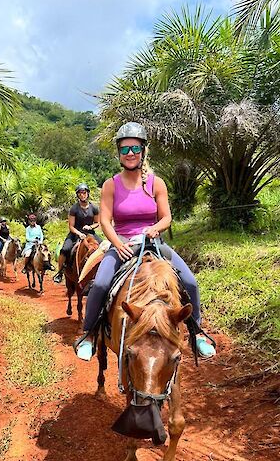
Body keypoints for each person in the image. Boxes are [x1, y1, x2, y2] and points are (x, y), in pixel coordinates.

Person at [74, 121, 216, 361]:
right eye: (125, 149)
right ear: (119, 153)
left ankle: (197, 333)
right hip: (123, 245)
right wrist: (117, 244)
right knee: (99, 285)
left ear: (143, 152)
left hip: (154, 244)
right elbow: (106, 221)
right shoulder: (111, 185)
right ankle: (89, 334)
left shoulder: (155, 183)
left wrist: (155, 228)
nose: (130, 154)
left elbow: (166, 217)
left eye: (135, 149)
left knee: (190, 282)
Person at [53, 183, 101, 284]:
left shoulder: (94, 208)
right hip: (75, 233)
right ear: (78, 195)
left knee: (104, 247)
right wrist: (79, 233)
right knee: (65, 249)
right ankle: (60, 272)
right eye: (80, 193)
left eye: (84, 193)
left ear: (88, 194)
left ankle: (102, 272)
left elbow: (97, 223)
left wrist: (90, 227)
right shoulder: (74, 208)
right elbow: (71, 226)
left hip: (90, 233)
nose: (82, 195)